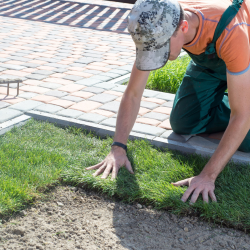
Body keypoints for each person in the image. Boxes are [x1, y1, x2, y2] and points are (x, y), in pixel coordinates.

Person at [86, 0, 250, 204]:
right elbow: (133, 92)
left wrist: (207, 176)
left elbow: (242, 115)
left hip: (245, 54)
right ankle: (237, 102)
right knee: (184, 123)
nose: (156, 55)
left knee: (246, 137)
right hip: (209, 64)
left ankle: (240, 103)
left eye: (161, 48)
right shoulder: (157, 18)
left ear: (183, 27)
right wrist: (118, 147)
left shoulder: (231, 30)